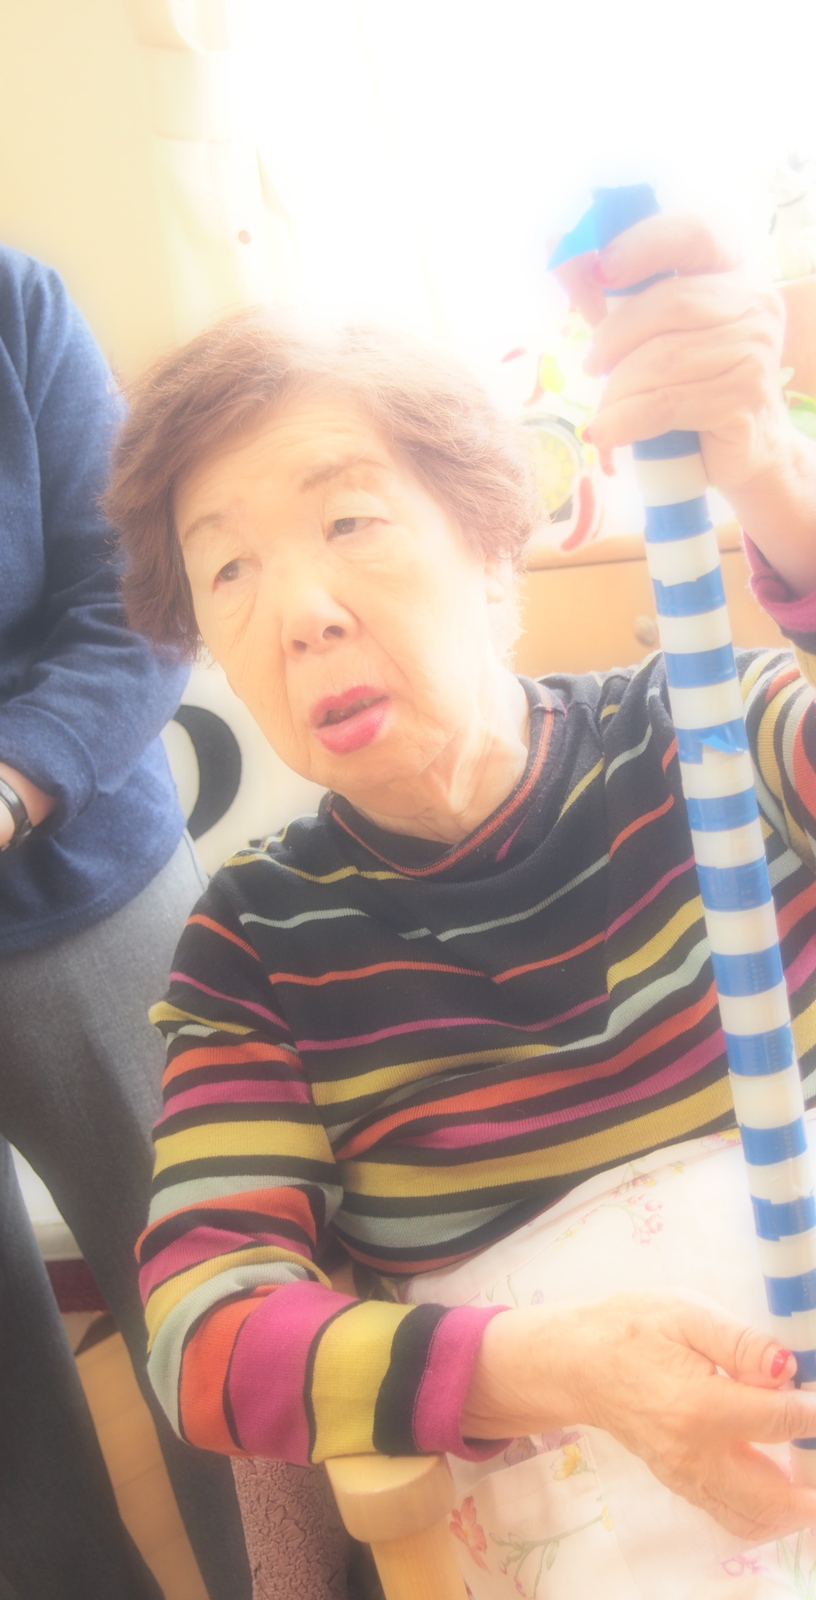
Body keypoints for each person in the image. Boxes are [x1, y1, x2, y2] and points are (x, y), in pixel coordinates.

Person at [109, 215, 816, 1599]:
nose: (300, 612)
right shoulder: (258, 947)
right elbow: (205, 1332)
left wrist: (768, 460)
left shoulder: (701, 729)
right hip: (617, 1496)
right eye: (229, 570)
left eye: (349, 521)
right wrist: (547, 1366)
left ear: (491, 547)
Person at [0, 244, 252, 1600]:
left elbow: (137, 604)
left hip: (88, 891)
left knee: (216, 1294)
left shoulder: (15, 303)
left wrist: (14, 777)